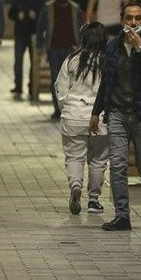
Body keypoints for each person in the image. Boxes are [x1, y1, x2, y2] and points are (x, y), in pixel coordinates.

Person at [89, 2, 141, 231]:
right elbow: (107, 80)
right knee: (118, 166)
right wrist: (96, 111)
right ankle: (122, 215)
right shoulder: (113, 45)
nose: (133, 23)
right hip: (118, 113)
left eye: (138, 18)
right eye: (129, 18)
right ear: (122, 19)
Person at [55, 22, 109, 215]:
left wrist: (66, 107)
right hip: (101, 118)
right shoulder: (108, 60)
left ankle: (76, 185)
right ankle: (94, 200)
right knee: (98, 160)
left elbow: (61, 88)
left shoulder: (72, 60)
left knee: (74, 156)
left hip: (74, 116)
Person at [37, 0, 82, 120]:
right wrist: (40, 46)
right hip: (54, 48)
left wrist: (82, 46)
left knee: (72, 80)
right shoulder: (48, 8)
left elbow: (81, 27)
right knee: (56, 79)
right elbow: (40, 27)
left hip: (72, 48)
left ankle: (69, 108)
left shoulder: (75, 8)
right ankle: (57, 108)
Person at [8, 0, 44, 99]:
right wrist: (18, 16)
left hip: (33, 34)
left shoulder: (39, 0)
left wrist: (36, 16)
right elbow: (10, 13)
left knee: (33, 61)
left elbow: (44, 16)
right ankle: (18, 86)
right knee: (18, 60)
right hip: (20, 34)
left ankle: (32, 87)